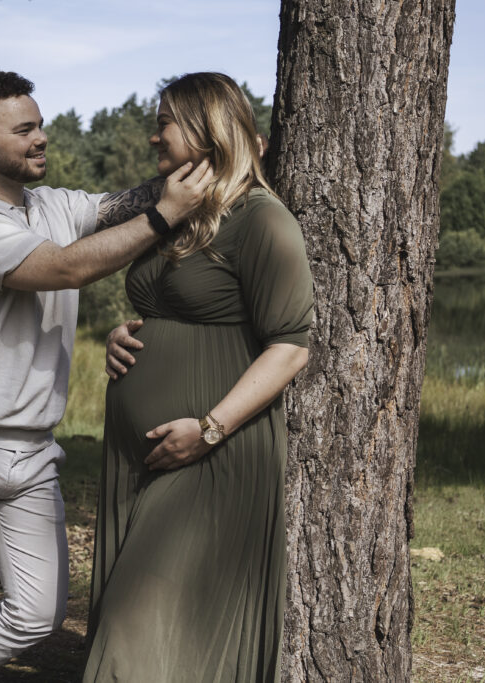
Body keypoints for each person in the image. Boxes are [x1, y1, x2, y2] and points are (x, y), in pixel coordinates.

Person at [0, 70, 212, 683]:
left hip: (32, 450)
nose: (41, 137)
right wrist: (166, 216)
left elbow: (131, 200)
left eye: (40, 124)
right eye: (24, 130)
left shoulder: (54, 205)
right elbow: (65, 269)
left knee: (39, 611)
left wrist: (210, 159)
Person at [84, 72, 314, 682]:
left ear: (205, 129)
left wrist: (208, 430)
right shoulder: (173, 212)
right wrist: (125, 336)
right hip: (144, 452)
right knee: (161, 636)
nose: (153, 135)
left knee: (134, 632)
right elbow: (162, 306)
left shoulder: (263, 221)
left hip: (211, 453)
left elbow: (290, 348)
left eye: (164, 122)